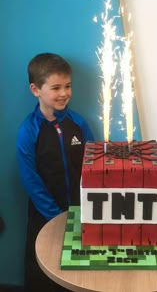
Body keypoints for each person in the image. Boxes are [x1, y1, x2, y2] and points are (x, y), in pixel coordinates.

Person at [16, 53, 94, 292]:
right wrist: (54, 215)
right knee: (44, 274)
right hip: (44, 217)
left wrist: (85, 207)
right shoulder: (28, 131)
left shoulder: (79, 124)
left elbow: (92, 166)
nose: (64, 93)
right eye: (56, 87)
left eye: (68, 86)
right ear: (35, 89)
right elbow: (30, 179)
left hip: (80, 211)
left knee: (79, 272)